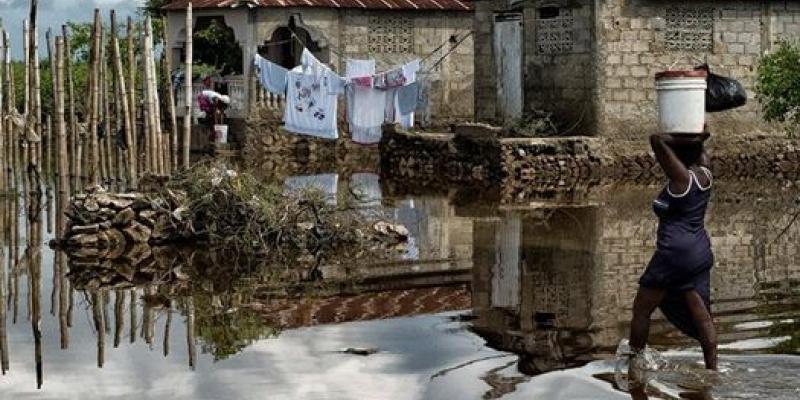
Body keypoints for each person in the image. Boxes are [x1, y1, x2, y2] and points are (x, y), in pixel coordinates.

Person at [627, 132, 717, 380]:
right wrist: (695, 131)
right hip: (699, 252)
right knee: (703, 316)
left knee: (641, 310)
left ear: (675, 156)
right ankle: (713, 370)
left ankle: (634, 365)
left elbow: (656, 140)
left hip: (673, 254)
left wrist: (674, 133)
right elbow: (698, 145)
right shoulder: (705, 173)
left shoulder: (682, 180)